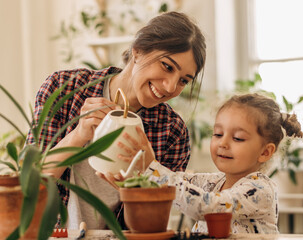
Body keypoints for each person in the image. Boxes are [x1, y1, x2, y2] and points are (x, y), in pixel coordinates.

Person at [25, 11, 206, 229]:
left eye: (183, 80)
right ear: (137, 51)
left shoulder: (172, 131)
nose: (170, 87)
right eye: (167, 67)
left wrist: (147, 174)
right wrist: (78, 135)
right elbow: (28, 186)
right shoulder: (63, 88)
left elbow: (151, 227)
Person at [117, 93, 303, 234]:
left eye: (238, 138)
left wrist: (151, 168)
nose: (223, 143)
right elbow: (177, 182)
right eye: (218, 134)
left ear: (265, 152)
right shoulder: (213, 182)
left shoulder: (260, 190)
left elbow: (207, 207)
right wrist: (134, 177)